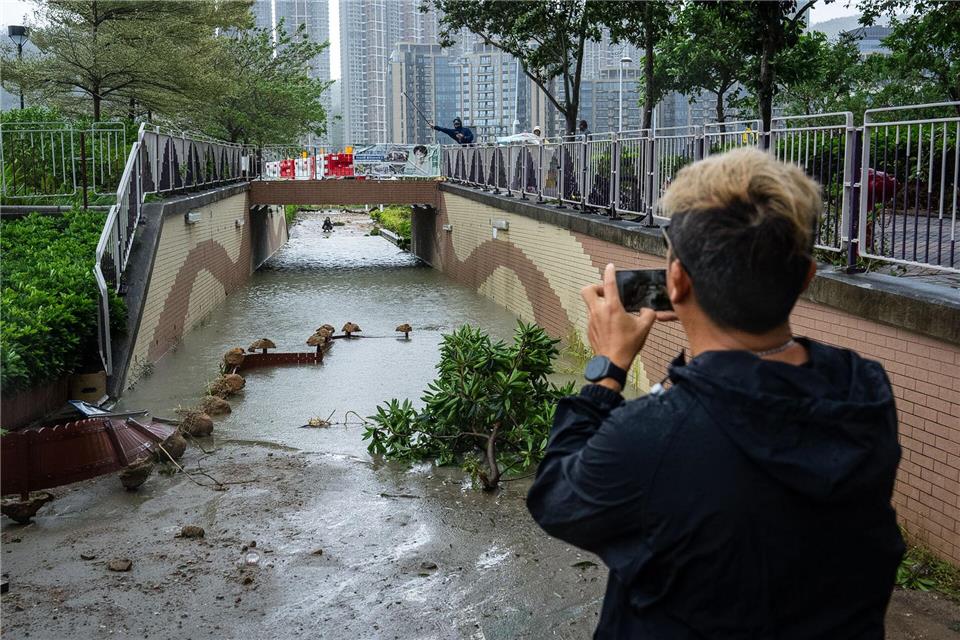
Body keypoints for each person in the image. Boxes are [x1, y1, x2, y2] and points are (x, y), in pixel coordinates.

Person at [527, 148, 904, 639]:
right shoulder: (865, 390)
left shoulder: (653, 437)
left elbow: (557, 499)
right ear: (806, 278)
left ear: (677, 280)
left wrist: (608, 369)